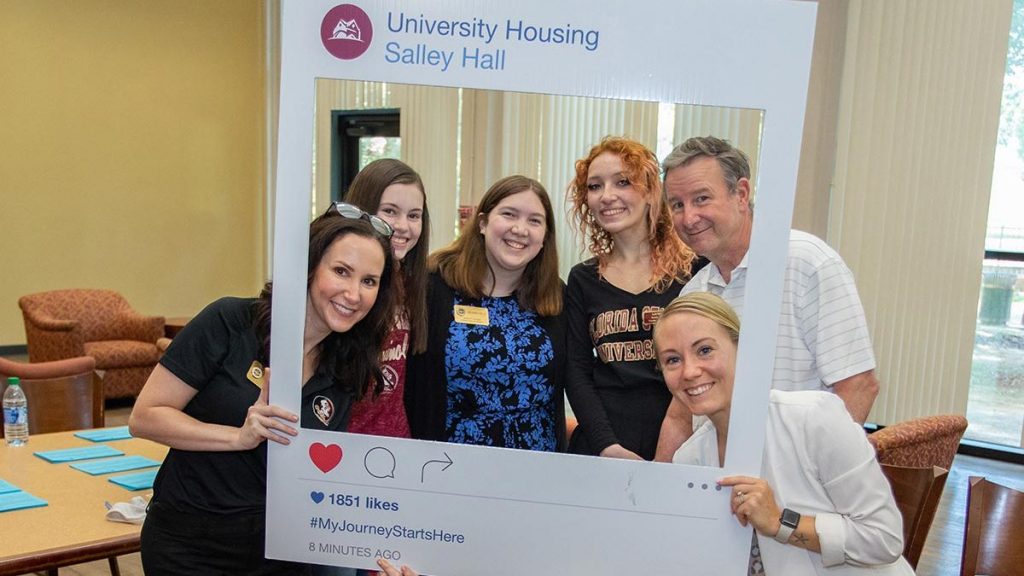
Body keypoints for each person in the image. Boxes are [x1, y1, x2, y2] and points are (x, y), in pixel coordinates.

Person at [129, 207, 397, 575]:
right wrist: (238, 437)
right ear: (308, 267)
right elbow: (144, 418)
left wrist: (378, 545)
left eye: (370, 281)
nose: (354, 294)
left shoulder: (347, 365)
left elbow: (320, 475)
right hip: (191, 546)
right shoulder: (229, 322)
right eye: (341, 271)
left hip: (280, 553)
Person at [654, 135, 880, 462]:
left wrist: (806, 475)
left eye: (701, 199)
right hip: (718, 485)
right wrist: (656, 495)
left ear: (741, 194)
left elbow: (858, 384)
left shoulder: (807, 263)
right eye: (677, 205)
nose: (688, 218)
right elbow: (680, 414)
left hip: (792, 485)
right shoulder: (695, 292)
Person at [653, 292, 913, 575]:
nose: (690, 371)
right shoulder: (690, 461)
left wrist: (780, 522)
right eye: (673, 360)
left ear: (743, 349)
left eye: (704, 350)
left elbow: (884, 539)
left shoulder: (813, 419)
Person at [406, 175, 566, 451]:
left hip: (538, 468)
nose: (520, 229)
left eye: (534, 221)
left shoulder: (556, 296)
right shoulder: (433, 286)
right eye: (509, 214)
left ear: (545, 237)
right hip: (449, 465)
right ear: (482, 223)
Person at [564, 136, 698, 461]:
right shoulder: (583, 279)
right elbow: (577, 371)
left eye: (623, 182)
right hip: (603, 446)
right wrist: (606, 445)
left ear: (651, 191)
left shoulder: (694, 270)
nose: (607, 196)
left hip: (683, 443)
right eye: (595, 186)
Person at [342, 158, 431, 439]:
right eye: (390, 211)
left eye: (414, 215)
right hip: (341, 444)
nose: (403, 226)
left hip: (396, 448)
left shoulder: (413, 284)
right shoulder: (340, 288)